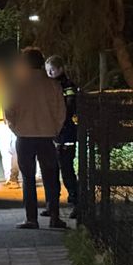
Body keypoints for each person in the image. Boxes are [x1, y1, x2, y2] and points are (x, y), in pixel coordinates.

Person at [4, 47, 67, 230]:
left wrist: (15, 128)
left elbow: (9, 111)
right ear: (41, 62)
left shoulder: (17, 85)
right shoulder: (53, 85)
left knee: (28, 178)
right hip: (47, 136)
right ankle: (54, 216)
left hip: (24, 136)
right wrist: (54, 128)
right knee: (51, 177)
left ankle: (31, 218)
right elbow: (60, 111)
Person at [44, 55, 79, 218]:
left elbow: (70, 107)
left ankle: (77, 204)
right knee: (51, 172)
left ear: (60, 69)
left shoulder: (67, 85)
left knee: (66, 171)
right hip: (53, 133)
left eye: (52, 70)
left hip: (66, 134)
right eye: (47, 71)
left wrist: (59, 123)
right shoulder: (50, 86)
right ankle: (52, 205)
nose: (49, 73)